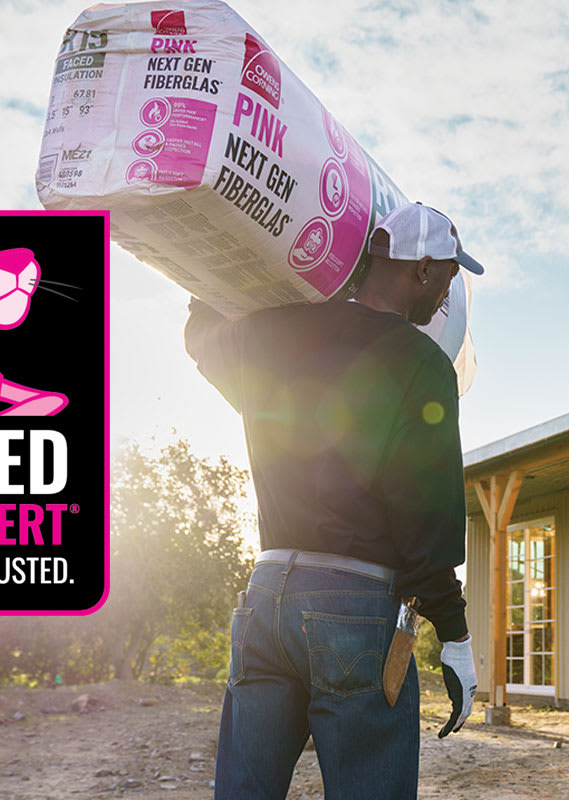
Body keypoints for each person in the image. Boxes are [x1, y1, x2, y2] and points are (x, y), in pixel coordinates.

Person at [184, 202, 485, 800]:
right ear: (419, 270)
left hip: (265, 596)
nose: (446, 297)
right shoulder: (422, 364)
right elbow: (426, 514)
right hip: (355, 607)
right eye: (449, 277)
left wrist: (210, 267)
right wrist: (454, 635)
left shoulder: (272, 331)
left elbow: (202, 336)